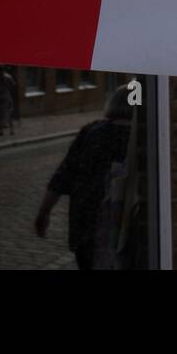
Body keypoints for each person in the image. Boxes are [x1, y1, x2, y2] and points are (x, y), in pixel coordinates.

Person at [34, 87, 133, 270]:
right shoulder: (142, 137)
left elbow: (63, 175)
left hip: (86, 224)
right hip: (126, 227)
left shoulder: (91, 132)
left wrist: (44, 212)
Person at [0, 65, 17, 135]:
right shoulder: (8, 77)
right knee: (9, 113)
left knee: (0, 114)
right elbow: (13, 86)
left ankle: (1, 131)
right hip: (6, 96)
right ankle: (11, 130)